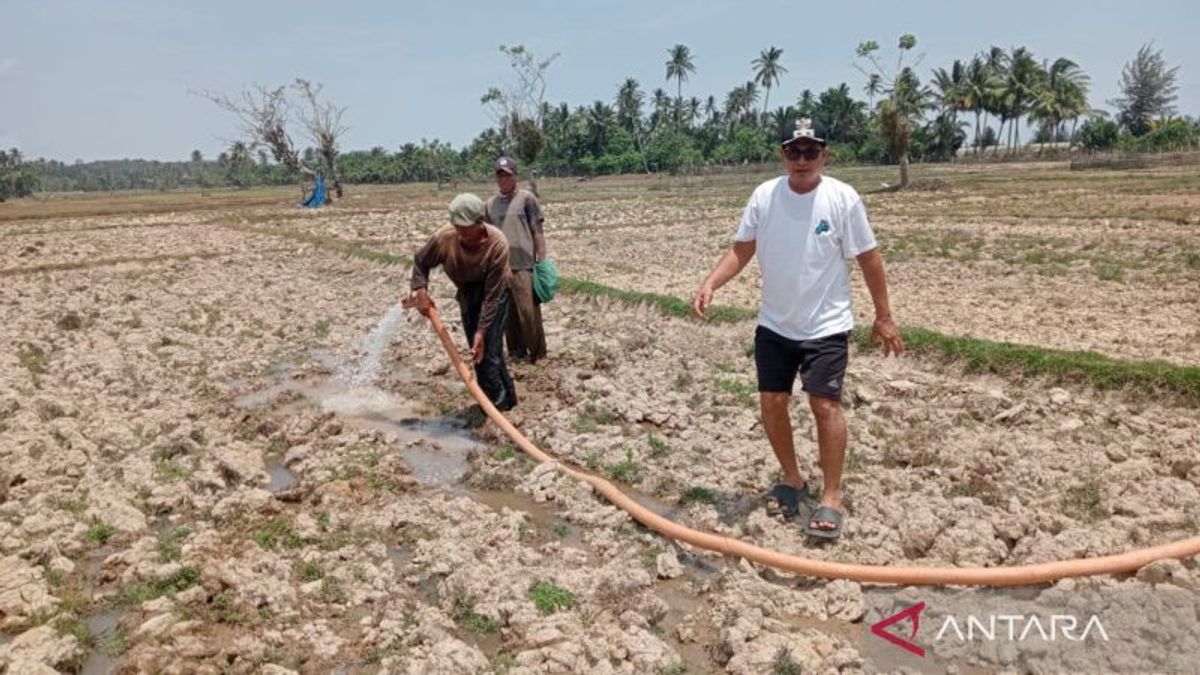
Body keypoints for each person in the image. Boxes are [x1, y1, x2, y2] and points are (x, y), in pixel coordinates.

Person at [692, 119, 903, 541]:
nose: (802, 159)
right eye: (794, 151)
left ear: (825, 154)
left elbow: (869, 258)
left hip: (826, 325)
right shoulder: (765, 196)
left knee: (824, 406)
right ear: (782, 155)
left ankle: (831, 497)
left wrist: (883, 315)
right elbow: (743, 248)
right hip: (774, 322)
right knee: (772, 402)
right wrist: (711, 282)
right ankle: (792, 479)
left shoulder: (842, 199)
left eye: (811, 151)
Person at [406, 193, 517, 411]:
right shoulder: (444, 238)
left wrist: (481, 331)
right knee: (477, 351)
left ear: (480, 222)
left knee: (489, 349)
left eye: (467, 229)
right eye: (458, 228)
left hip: (496, 292)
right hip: (467, 291)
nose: (462, 234)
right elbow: (421, 261)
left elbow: (492, 296)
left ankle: (498, 404)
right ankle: (498, 400)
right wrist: (420, 290)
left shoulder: (497, 243)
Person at [485, 156, 548, 363]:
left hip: (524, 264)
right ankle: (515, 351)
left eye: (507, 175)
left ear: (515, 176)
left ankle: (538, 353)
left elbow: (537, 230)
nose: (503, 179)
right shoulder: (490, 205)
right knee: (507, 313)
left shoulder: (526, 199)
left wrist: (542, 259)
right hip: (501, 266)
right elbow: (487, 236)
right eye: (500, 175)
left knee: (528, 312)